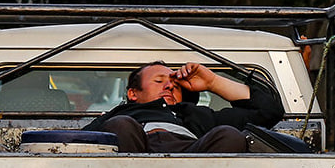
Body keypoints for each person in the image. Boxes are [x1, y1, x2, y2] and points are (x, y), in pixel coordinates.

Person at [82, 61, 284, 153]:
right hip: (131, 158)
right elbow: (79, 141)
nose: (169, 85)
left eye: (175, 84)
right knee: (121, 125)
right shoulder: (119, 114)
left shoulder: (198, 114)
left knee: (229, 135)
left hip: (195, 161)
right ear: (133, 93)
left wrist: (212, 82)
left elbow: (268, 112)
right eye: (159, 81)